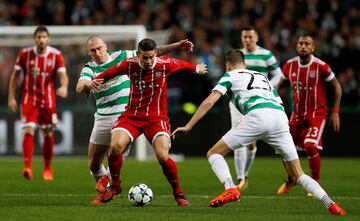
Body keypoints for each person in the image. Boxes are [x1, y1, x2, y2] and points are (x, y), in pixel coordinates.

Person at [171, 49, 345, 215]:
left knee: (214, 153)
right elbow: (277, 98)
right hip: (279, 117)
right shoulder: (261, 76)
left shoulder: (229, 75)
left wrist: (189, 125)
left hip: (258, 116)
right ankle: (332, 205)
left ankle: (231, 188)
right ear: (244, 64)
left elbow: (209, 102)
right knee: (299, 174)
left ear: (228, 65)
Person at [75, 35, 196, 204]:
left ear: (106, 46)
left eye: (99, 48)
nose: (97, 52)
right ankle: (109, 184)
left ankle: (111, 188)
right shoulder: (89, 68)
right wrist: (88, 84)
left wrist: (177, 45)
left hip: (126, 112)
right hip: (102, 117)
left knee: (120, 146)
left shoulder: (123, 56)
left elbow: (157, 51)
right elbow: (79, 86)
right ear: (89, 52)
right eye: (93, 50)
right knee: (94, 164)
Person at [276, 33, 342, 195]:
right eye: (300, 44)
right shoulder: (289, 66)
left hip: (317, 114)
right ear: (296, 46)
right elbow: (280, 86)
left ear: (313, 48)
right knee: (283, 146)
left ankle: (315, 185)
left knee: (310, 146)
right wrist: (276, 104)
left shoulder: (321, 66)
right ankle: (292, 179)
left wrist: (335, 112)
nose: (303, 46)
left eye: (307, 44)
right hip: (297, 115)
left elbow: (337, 87)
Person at [7, 25, 69, 181]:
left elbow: (63, 75)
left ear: (48, 39)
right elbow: (15, 76)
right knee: (28, 130)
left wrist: (64, 86)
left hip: (47, 100)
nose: (41, 40)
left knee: (47, 133)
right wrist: (11, 97)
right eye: (38, 37)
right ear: (34, 39)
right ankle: (27, 167)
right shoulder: (25, 54)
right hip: (29, 99)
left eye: (44, 37)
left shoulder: (56, 55)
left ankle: (47, 168)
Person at [231, 26, 283, 190]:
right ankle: (240, 179)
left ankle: (244, 175)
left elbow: (279, 74)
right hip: (238, 101)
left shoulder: (266, 54)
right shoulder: (237, 55)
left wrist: (268, 86)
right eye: (244, 37)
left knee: (251, 144)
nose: (247, 40)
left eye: (250, 37)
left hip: (259, 102)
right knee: (237, 137)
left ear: (257, 38)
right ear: (241, 38)